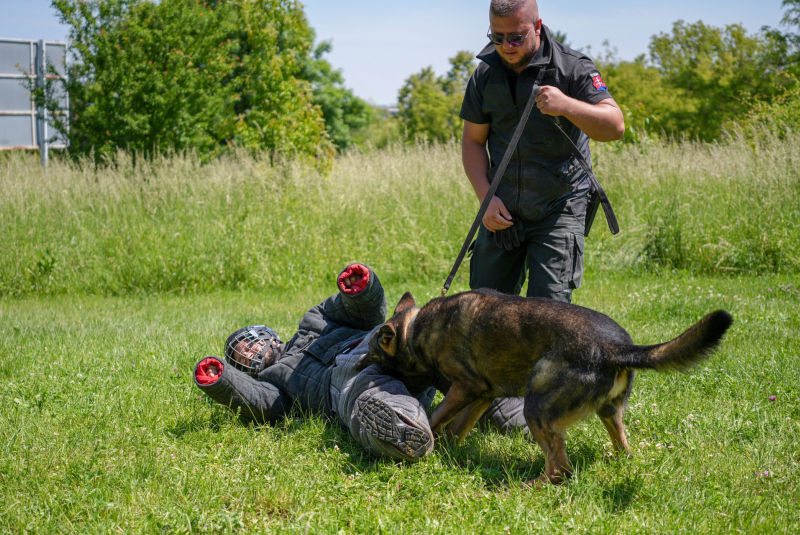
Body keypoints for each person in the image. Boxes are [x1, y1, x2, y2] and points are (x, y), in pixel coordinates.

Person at [194, 263, 526, 461]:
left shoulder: (313, 322)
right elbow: (257, 403)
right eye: (244, 357)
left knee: (464, 374)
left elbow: (363, 313)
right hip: (347, 384)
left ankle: (524, 412)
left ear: (268, 335)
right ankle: (404, 430)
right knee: (369, 399)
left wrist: (360, 288)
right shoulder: (274, 382)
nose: (253, 352)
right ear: (246, 368)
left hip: (388, 347)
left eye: (250, 344)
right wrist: (222, 382)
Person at [461, 0, 625, 303]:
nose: (506, 46)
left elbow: (615, 126)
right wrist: (485, 198)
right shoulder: (484, 75)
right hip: (502, 206)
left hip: (559, 207)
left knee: (548, 316)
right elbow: (472, 141)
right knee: (482, 314)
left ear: (536, 27)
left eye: (516, 37)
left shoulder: (572, 67)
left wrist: (567, 106)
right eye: (497, 37)